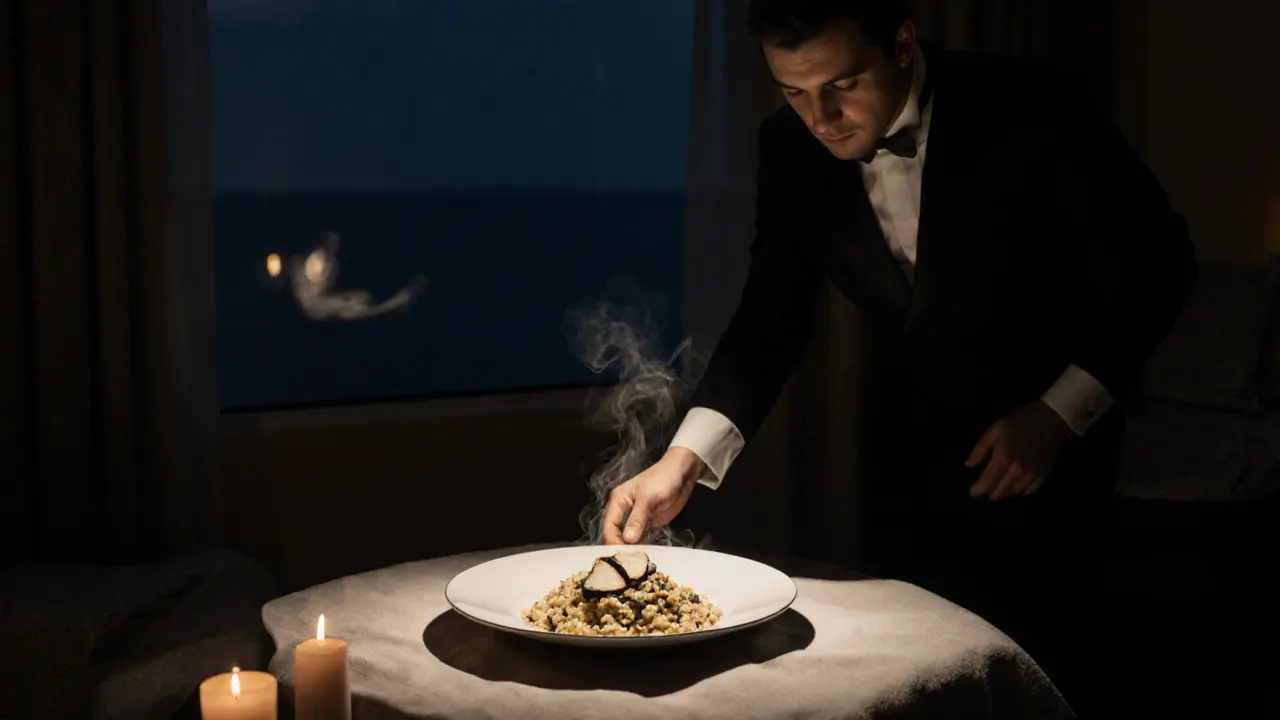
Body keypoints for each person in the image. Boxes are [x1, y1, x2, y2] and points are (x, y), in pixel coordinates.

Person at [602, 0, 1197, 713]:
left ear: (904, 45)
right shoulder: (787, 147)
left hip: (1053, 455)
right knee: (921, 685)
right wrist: (683, 460)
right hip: (910, 456)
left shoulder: (1037, 104)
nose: (820, 118)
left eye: (842, 85)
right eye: (794, 92)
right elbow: (771, 318)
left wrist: (1056, 413)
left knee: (1052, 676)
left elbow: (1163, 265)